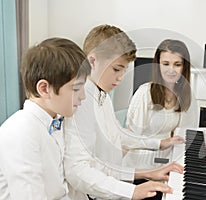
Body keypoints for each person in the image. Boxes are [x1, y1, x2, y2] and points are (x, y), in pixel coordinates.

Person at [63, 24, 184, 200]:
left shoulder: (101, 95)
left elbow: (118, 135)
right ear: (92, 61)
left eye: (124, 70)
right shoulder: (81, 102)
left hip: (114, 183)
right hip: (98, 193)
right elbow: (78, 170)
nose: (120, 77)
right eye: (117, 69)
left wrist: (158, 146)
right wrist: (133, 190)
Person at [0, 38, 90, 199]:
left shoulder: (55, 121)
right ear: (44, 88)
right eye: (76, 88)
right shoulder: (20, 131)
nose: (83, 96)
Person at [122, 39, 199, 170]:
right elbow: (131, 139)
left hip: (167, 164)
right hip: (138, 166)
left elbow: (186, 136)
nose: (171, 70)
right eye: (165, 64)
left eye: (177, 64)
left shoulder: (188, 96)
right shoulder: (144, 93)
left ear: (184, 67)